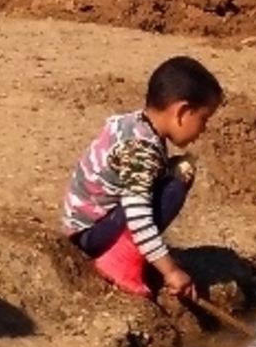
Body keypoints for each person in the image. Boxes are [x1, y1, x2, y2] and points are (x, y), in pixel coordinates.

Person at [63, 55, 223, 298]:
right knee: (177, 181)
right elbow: (139, 217)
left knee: (173, 170)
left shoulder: (135, 124)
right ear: (182, 112)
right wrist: (170, 271)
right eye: (203, 119)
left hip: (86, 224)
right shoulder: (141, 150)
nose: (204, 129)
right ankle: (119, 261)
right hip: (90, 235)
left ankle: (136, 250)